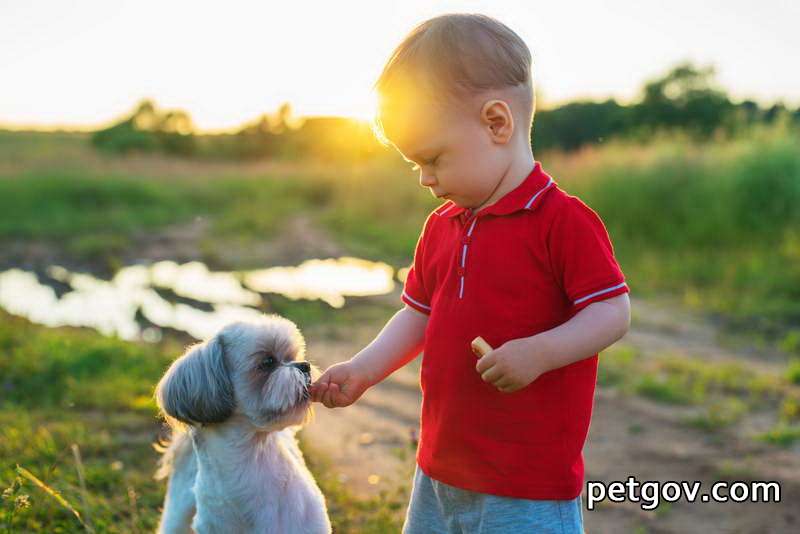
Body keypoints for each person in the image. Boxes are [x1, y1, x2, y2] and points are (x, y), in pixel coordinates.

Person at [309, 13, 631, 533]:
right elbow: (417, 317)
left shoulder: (563, 222)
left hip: (525, 484)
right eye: (414, 162)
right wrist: (364, 369)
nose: (424, 177)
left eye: (432, 158)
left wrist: (540, 351)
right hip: (439, 471)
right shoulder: (441, 226)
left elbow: (612, 312)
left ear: (496, 123)